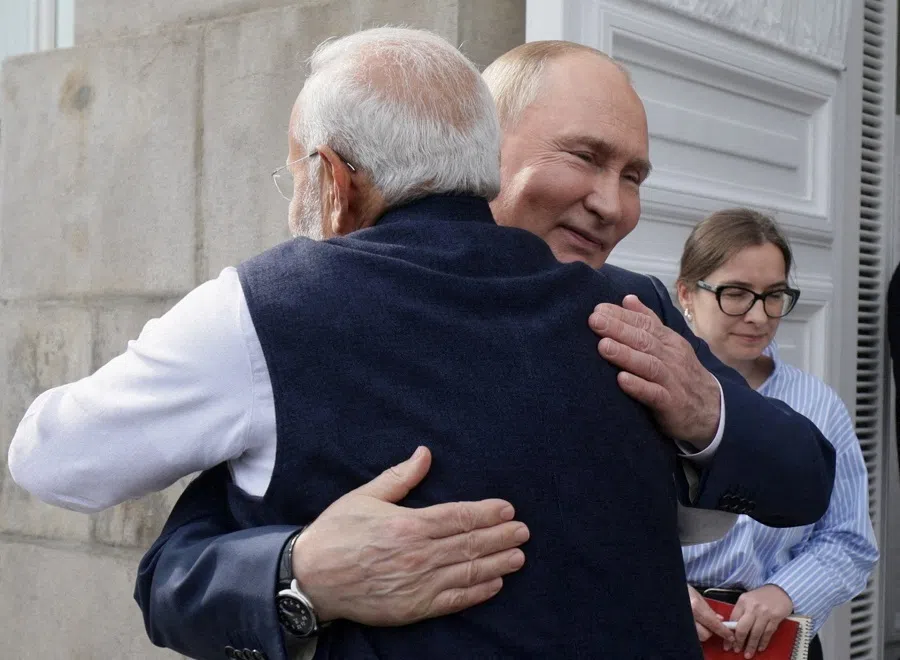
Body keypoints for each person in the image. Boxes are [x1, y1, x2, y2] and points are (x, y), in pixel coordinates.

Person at [7, 35, 836, 660]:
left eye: (635, 177)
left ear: (328, 182)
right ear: (486, 142)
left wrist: (709, 413)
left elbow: (798, 477)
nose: (613, 206)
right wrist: (296, 574)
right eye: (584, 157)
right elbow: (186, 556)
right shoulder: (280, 319)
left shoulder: (636, 314)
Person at [675, 208, 878, 660]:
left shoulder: (817, 405)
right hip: (667, 630)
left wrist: (785, 592)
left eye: (773, 296)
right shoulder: (647, 393)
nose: (758, 316)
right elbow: (602, 527)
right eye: (736, 294)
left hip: (776, 643)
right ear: (686, 293)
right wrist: (659, 590)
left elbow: (850, 539)